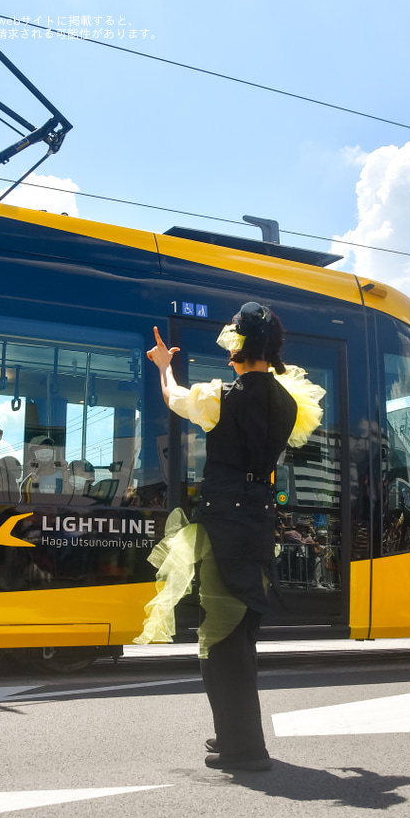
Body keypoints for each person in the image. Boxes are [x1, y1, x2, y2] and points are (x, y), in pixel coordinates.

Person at [138, 302, 323, 772]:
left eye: (231, 343)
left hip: (223, 524)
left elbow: (174, 397)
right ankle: (234, 736)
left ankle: (243, 747)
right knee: (239, 633)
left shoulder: (221, 396)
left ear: (240, 346)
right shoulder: (288, 401)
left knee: (218, 634)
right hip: (259, 523)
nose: (227, 352)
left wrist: (164, 367)